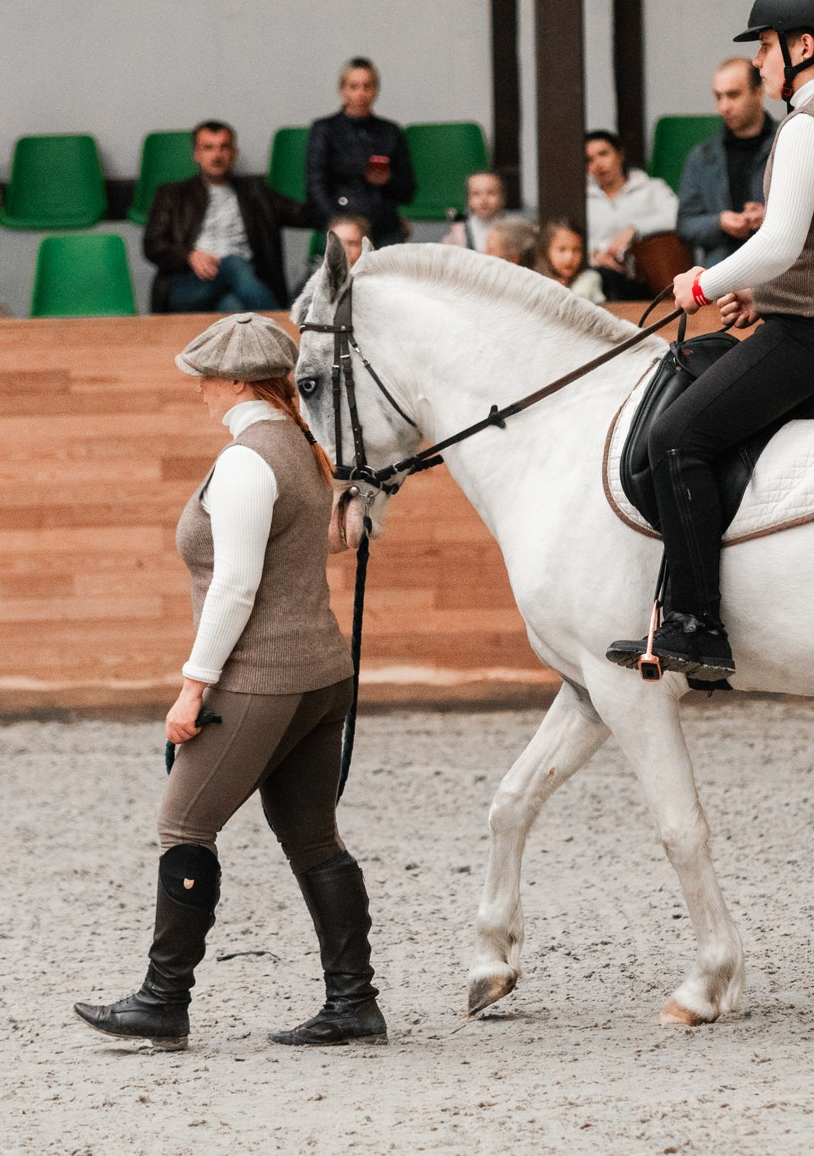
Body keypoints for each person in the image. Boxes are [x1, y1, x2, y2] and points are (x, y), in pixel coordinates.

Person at [76, 313, 383, 1050]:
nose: (200, 389)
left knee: (184, 824)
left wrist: (194, 686)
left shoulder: (248, 460)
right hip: (321, 675)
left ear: (241, 382)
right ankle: (354, 1003)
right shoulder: (302, 450)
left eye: (207, 377)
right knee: (314, 839)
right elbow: (307, 549)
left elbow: (237, 586)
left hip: (262, 678)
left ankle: (163, 1000)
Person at [603, 0, 814, 680]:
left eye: (765, 46)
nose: (759, 62)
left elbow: (781, 242)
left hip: (810, 338)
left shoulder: (806, 128)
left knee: (676, 436)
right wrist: (765, 295)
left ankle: (697, 623)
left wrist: (703, 282)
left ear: (804, 46)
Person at [145, 121, 314, 313]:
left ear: (234, 152)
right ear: (196, 154)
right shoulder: (173, 194)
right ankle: (282, 323)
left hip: (242, 283)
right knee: (232, 264)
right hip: (189, 282)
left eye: (223, 147)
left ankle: (275, 323)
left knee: (231, 304)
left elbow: (305, 215)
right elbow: (152, 244)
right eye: (208, 148)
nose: (217, 155)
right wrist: (188, 256)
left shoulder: (256, 193)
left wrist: (337, 206)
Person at [676, 58, 778, 267]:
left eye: (733, 95)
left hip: (776, 267)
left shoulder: (788, 143)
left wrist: (769, 217)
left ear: (758, 92)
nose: (723, 107)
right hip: (721, 269)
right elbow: (685, 224)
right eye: (718, 96)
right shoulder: (702, 156)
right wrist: (719, 222)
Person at [306, 57, 417, 248]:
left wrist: (387, 180)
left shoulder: (391, 131)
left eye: (367, 86)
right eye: (353, 86)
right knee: (347, 246)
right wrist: (339, 223)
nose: (361, 93)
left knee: (392, 254)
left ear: (376, 90)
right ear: (342, 90)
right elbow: (315, 188)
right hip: (340, 219)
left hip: (383, 222)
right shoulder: (324, 130)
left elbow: (408, 192)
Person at [584, 129, 679, 282]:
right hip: (600, 272)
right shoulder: (583, 199)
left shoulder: (651, 188)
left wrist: (635, 229)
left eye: (603, 154)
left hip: (648, 272)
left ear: (620, 154)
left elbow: (677, 215)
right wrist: (595, 254)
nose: (598, 164)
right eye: (589, 160)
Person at [538, 218, 605, 303]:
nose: (569, 257)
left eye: (576, 250)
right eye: (562, 249)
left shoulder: (589, 279)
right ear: (546, 251)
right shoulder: (538, 283)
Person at [441, 171, 507, 250]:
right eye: (476, 194)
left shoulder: (512, 230)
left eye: (491, 193)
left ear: (502, 197)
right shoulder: (458, 232)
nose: (483, 200)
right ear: (468, 199)